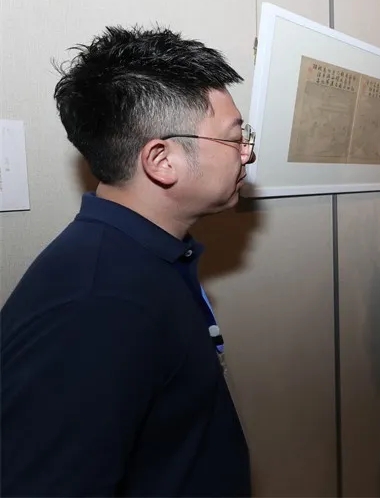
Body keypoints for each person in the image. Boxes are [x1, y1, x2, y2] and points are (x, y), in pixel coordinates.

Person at [0, 26, 254, 496]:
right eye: (235, 138)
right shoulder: (94, 306)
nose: (248, 153)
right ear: (161, 160)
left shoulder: (144, 256)